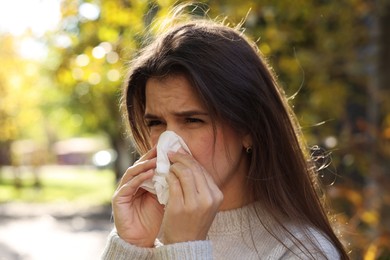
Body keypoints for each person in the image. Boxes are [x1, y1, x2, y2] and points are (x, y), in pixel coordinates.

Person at [102, 6, 349, 260]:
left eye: (192, 120)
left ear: (248, 128)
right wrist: (131, 245)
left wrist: (185, 248)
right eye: (156, 123)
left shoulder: (301, 251)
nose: (170, 145)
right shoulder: (152, 231)